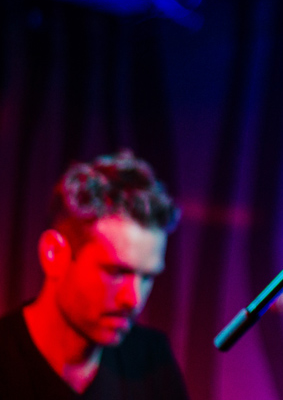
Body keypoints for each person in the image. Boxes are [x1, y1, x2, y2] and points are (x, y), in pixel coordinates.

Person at [0, 150, 190, 400]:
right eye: (116, 272)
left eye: (146, 278)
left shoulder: (152, 360)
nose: (133, 299)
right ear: (54, 254)